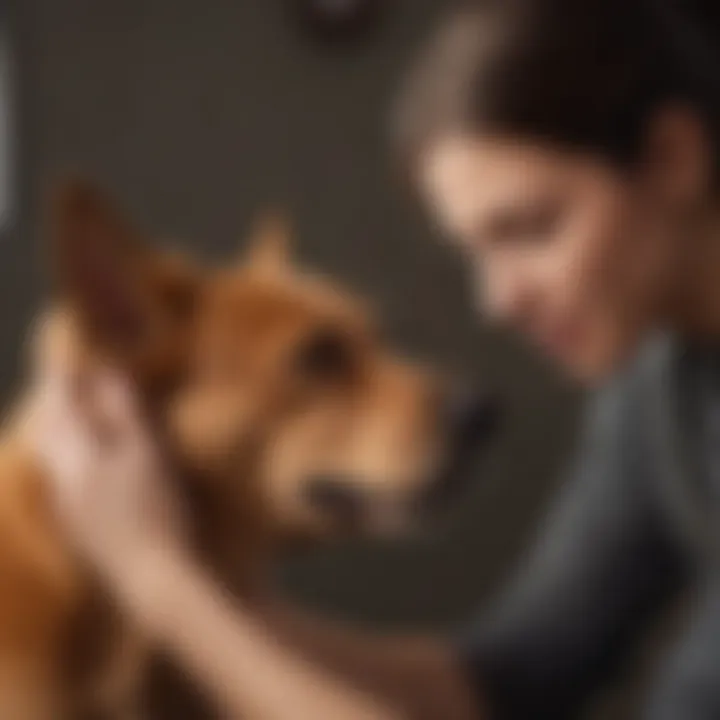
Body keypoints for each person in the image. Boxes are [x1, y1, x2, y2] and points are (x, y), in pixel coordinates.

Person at [28, 0, 720, 717]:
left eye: (531, 229)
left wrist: (158, 582)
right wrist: (206, 586)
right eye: (476, 252)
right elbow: (500, 683)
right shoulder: (662, 380)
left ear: (674, 156)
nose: (498, 302)